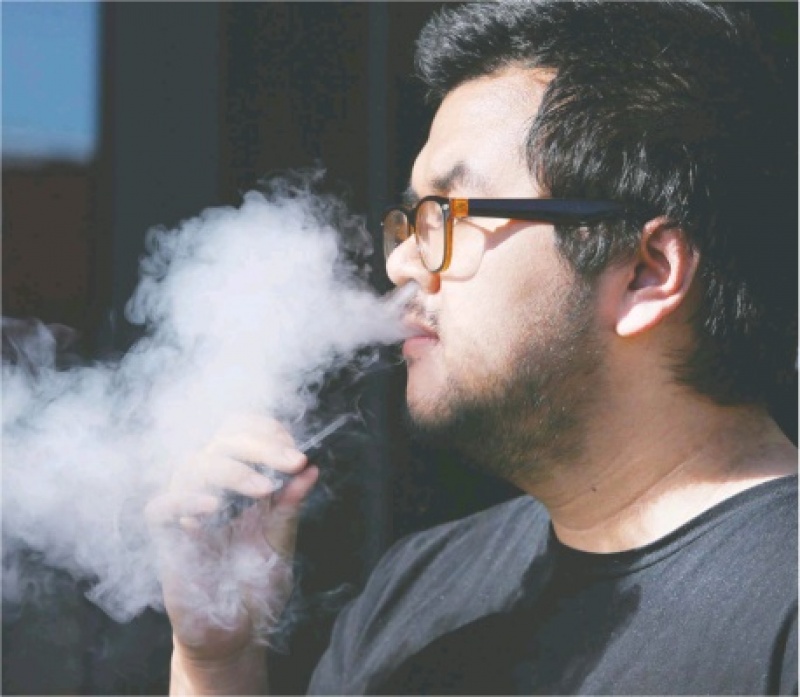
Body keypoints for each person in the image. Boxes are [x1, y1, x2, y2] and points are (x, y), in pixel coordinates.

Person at [154, 2, 798, 694]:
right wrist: (216, 663)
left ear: (646, 272)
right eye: (411, 219)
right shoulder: (413, 593)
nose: (401, 263)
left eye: (447, 214)